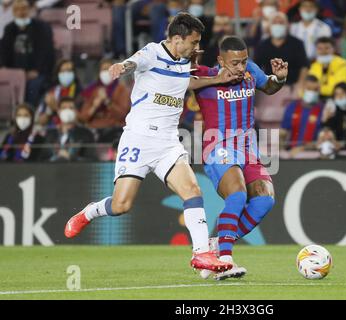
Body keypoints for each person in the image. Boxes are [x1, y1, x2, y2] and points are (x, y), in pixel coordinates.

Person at [63, 13, 238, 273]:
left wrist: (217, 79)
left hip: (168, 142)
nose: (196, 47)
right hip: (139, 138)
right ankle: (90, 212)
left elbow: (184, 82)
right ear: (177, 39)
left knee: (193, 191)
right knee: (121, 205)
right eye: (193, 41)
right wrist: (122, 66)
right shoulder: (153, 53)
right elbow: (134, 62)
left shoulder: (183, 60)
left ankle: (201, 254)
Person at [193, 36, 288, 280]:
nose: (240, 67)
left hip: (248, 149)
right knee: (237, 195)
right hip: (218, 147)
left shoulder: (250, 71)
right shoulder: (203, 75)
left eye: (243, 61)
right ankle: (225, 260)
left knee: (265, 200)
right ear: (220, 60)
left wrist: (280, 78)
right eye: (234, 63)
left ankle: (218, 243)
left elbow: (269, 87)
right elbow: (174, 84)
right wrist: (214, 79)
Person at [0, 0, 55, 107]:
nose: (21, 12)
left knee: (33, 85)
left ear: (30, 10)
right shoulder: (9, 29)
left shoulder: (41, 28)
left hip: (36, 72)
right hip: (15, 72)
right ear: (14, 12)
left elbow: (46, 53)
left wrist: (36, 70)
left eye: (24, 9)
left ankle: (28, 112)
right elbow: (4, 52)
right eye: (17, 9)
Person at [79, 58, 131, 143]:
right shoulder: (92, 90)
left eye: (109, 69)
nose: (106, 72)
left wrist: (107, 102)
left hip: (114, 130)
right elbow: (83, 117)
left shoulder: (122, 89)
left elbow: (123, 115)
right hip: (94, 131)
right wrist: (95, 106)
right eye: (103, 69)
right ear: (99, 73)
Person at [254, 11, 309, 90]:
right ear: (269, 26)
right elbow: (256, 67)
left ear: (287, 26)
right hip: (270, 87)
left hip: (292, 87)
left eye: (281, 23)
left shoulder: (297, 44)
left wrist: (300, 84)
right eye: (275, 23)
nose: (278, 25)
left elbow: (304, 66)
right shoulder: (262, 45)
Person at [39, 97, 97, 162]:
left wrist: (71, 157)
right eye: (64, 108)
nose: (67, 111)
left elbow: (92, 160)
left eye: (71, 108)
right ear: (58, 111)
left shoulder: (86, 134)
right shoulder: (50, 134)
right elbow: (41, 160)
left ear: (76, 111)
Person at [280, 75, 324, 155]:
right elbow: (283, 132)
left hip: (315, 153)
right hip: (292, 152)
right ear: (302, 89)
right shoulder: (292, 107)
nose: (312, 92)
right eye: (309, 89)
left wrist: (302, 148)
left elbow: (323, 140)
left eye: (315, 90)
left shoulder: (323, 109)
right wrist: (282, 150)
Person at [35, 59, 83, 132]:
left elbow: (81, 119)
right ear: (57, 74)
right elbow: (40, 121)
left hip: (74, 131)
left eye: (69, 71)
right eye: (63, 71)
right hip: (53, 131)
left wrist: (55, 107)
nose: (66, 74)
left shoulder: (81, 93)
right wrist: (49, 110)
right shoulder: (51, 93)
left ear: (74, 73)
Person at [322, 82, 346, 147]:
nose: (340, 97)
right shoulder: (332, 112)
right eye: (337, 94)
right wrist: (325, 119)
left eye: (343, 93)